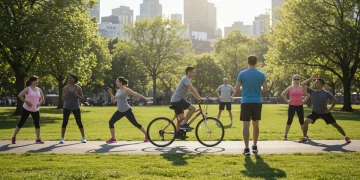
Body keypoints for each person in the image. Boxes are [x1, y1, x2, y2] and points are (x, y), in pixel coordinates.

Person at [299, 75, 351, 143]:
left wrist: (330, 109)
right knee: (306, 122)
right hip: (315, 112)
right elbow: (302, 84)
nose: (315, 83)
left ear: (321, 84)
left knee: (335, 125)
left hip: (325, 113)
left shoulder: (326, 93)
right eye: (315, 82)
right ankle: (305, 137)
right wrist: (311, 79)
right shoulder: (312, 91)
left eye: (317, 82)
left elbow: (335, 100)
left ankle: (346, 136)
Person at [235, 55, 268, 155]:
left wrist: (243, 92)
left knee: (246, 125)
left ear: (247, 62)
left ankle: (246, 148)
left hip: (246, 101)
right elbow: (266, 89)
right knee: (256, 124)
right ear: (256, 62)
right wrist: (259, 90)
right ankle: (254, 146)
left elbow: (236, 88)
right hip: (257, 101)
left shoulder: (242, 73)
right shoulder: (261, 74)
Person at [106, 77, 149, 143]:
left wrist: (145, 98)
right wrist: (111, 93)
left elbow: (135, 94)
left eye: (117, 81)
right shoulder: (118, 90)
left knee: (135, 124)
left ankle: (147, 135)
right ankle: (113, 138)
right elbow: (114, 100)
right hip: (120, 111)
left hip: (127, 110)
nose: (116, 82)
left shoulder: (125, 89)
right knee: (111, 122)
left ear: (120, 82)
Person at [11, 75, 45, 144]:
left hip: (36, 109)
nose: (37, 82)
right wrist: (26, 102)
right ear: (32, 81)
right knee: (21, 122)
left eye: (37, 80)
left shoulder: (39, 89)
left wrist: (40, 103)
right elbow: (20, 95)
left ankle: (38, 139)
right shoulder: (28, 89)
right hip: (26, 108)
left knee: (37, 124)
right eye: (36, 80)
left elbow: (42, 97)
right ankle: (14, 136)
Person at [170, 67, 203, 131]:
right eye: (193, 72)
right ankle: (184, 124)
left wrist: (198, 98)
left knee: (182, 119)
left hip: (176, 100)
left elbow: (191, 91)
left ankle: (178, 134)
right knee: (193, 108)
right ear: (189, 72)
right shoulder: (186, 79)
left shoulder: (186, 79)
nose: (194, 74)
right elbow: (192, 89)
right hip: (178, 100)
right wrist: (199, 98)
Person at [281, 74, 310, 140]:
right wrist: (287, 101)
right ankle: (285, 136)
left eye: (297, 79)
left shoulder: (302, 88)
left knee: (302, 121)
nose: (296, 80)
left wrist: (304, 100)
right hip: (292, 106)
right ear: (293, 80)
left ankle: (305, 135)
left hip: (300, 106)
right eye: (295, 79)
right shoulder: (290, 88)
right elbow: (283, 94)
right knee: (289, 121)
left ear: (299, 80)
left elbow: (308, 95)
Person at [60, 74, 86, 144]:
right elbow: (64, 97)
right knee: (65, 122)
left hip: (75, 107)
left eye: (71, 78)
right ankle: (62, 138)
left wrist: (78, 95)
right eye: (68, 78)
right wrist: (63, 97)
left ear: (74, 79)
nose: (69, 80)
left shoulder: (78, 88)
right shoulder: (65, 88)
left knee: (79, 122)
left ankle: (83, 137)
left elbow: (82, 98)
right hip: (67, 106)